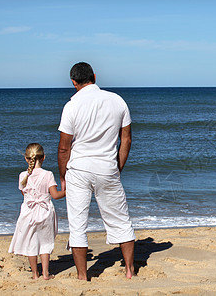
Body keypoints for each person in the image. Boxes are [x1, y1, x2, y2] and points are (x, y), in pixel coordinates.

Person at [58, 62, 136, 280]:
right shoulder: (117, 101)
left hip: (79, 169)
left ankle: (83, 275)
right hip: (107, 168)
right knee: (121, 219)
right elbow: (126, 139)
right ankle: (130, 270)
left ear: (73, 82)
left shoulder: (71, 106)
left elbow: (64, 147)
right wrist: (117, 167)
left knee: (78, 224)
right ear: (94, 76)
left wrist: (63, 175)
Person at [9, 143, 66, 280]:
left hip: (28, 212)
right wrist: (67, 191)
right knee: (45, 242)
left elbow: (25, 195)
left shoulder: (23, 175)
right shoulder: (48, 174)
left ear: (26, 159)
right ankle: (46, 273)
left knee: (31, 242)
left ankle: (35, 274)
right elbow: (55, 195)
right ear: (44, 157)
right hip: (45, 211)